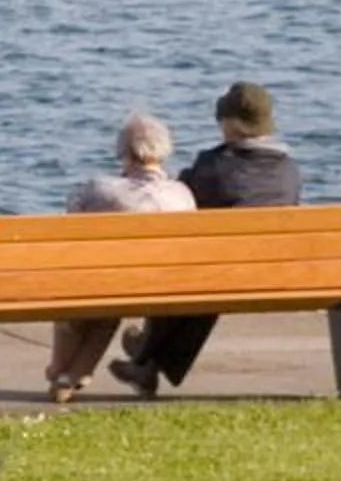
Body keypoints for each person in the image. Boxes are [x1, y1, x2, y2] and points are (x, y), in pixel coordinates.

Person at [107, 81, 301, 398]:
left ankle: (146, 357)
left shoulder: (214, 166)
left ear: (229, 124)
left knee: (193, 267)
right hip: (275, 274)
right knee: (210, 266)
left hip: (218, 272)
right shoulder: (289, 171)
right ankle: (146, 358)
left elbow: (181, 202)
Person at [43, 112, 192, 402]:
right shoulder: (182, 195)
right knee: (109, 300)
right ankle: (69, 377)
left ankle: (62, 371)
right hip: (166, 286)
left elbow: (69, 228)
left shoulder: (101, 190)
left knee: (89, 292)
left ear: (123, 152)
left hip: (109, 282)